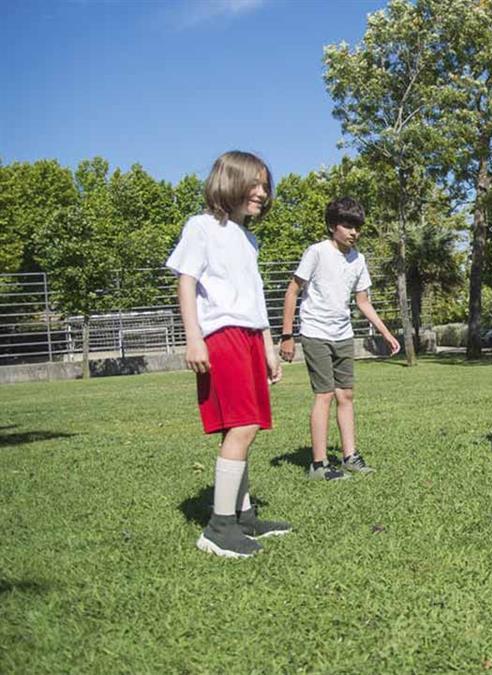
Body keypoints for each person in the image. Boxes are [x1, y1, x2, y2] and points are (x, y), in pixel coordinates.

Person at [166, 150, 291, 559]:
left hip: (251, 337)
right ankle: (219, 528)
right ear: (229, 182)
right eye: (254, 184)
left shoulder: (248, 238)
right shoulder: (202, 227)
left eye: (265, 186)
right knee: (242, 424)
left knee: (245, 426)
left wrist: (269, 345)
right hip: (222, 336)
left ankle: (244, 514)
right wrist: (193, 337)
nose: (262, 193)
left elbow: (254, 296)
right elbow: (187, 283)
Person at [279, 197, 400, 480]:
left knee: (346, 394)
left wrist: (386, 332)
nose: (354, 232)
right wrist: (286, 336)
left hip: (343, 334)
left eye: (357, 227)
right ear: (333, 226)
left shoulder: (358, 259)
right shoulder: (317, 252)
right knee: (324, 395)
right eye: (348, 226)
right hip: (315, 333)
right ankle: (319, 465)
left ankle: (350, 457)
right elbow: (292, 291)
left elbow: (363, 301)